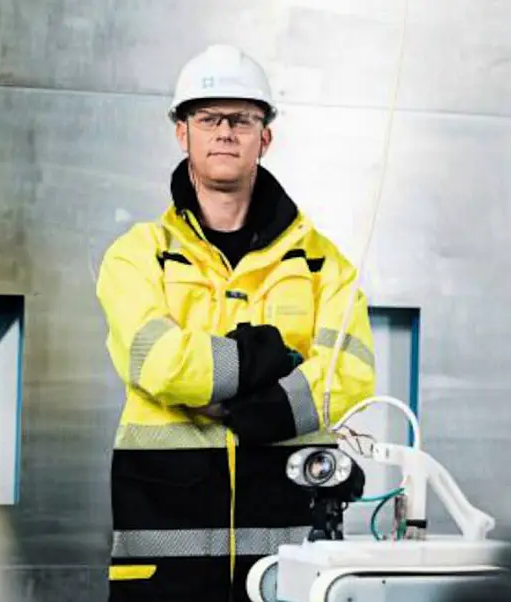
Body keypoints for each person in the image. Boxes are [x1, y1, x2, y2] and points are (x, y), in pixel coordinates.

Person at [95, 44, 376, 601]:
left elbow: (349, 375)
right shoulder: (138, 255)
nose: (225, 131)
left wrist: (251, 411)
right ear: (183, 133)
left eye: (242, 118)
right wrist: (261, 362)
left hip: (285, 547)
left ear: (264, 137)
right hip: (164, 549)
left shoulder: (324, 264)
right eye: (208, 117)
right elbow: (156, 361)